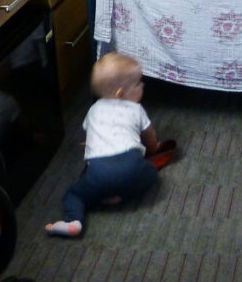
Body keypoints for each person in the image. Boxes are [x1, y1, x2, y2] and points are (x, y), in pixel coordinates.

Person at [46, 52, 167, 238]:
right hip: (131, 166)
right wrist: (154, 148)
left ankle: (74, 221)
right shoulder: (136, 109)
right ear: (120, 93)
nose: (142, 85)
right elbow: (149, 136)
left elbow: (92, 132)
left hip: (98, 172)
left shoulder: (93, 110)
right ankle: (121, 195)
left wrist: (91, 143)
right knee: (150, 173)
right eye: (137, 83)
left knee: (74, 195)